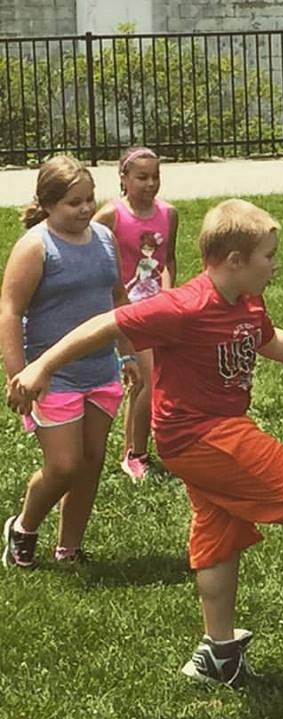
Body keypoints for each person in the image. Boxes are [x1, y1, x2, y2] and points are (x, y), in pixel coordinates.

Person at [7, 198, 283, 687]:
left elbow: (268, 338)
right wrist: (40, 366)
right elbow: (106, 325)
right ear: (235, 260)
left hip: (211, 432)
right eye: (269, 256)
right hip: (200, 434)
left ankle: (218, 653)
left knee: (217, 536)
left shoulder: (246, 301)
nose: (276, 265)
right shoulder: (185, 305)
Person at [0, 155, 140, 567]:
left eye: (89, 200)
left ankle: (70, 547)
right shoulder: (36, 247)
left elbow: (117, 300)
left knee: (91, 462)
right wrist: (19, 375)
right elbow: (9, 311)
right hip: (52, 375)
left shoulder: (103, 239)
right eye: (73, 203)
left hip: (100, 370)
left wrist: (128, 351)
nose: (84, 210)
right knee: (64, 465)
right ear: (47, 204)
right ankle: (23, 528)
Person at [93, 147, 179, 481]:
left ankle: (136, 444)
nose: (150, 184)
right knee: (148, 373)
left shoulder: (169, 214)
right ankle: (136, 454)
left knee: (148, 378)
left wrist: (169, 295)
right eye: (142, 177)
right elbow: (84, 243)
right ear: (124, 179)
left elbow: (167, 259)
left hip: (159, 307)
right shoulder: (110, 216)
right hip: (126, 309)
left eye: (156, 176)